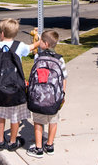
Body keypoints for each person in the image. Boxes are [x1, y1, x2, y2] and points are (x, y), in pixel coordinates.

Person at [0, 18, 40, 151]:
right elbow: (32, 47)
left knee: (1, 113)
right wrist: (39, 39)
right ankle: (13, 141)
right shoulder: (19, 46)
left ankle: (0, 141)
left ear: (2, 33)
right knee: (15, 116)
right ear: (14, 33)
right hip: (17, 88)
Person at [26, 30, 67, 158]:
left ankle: (38, 148)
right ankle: (49, 146)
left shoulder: (38, 57)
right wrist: (62, 95)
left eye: (41, 42)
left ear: (45, 44)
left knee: (38, 122)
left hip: (38, 97)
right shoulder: (60, 59)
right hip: (54, 98)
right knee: (53, 121)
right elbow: (64, 78)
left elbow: (35, 76)